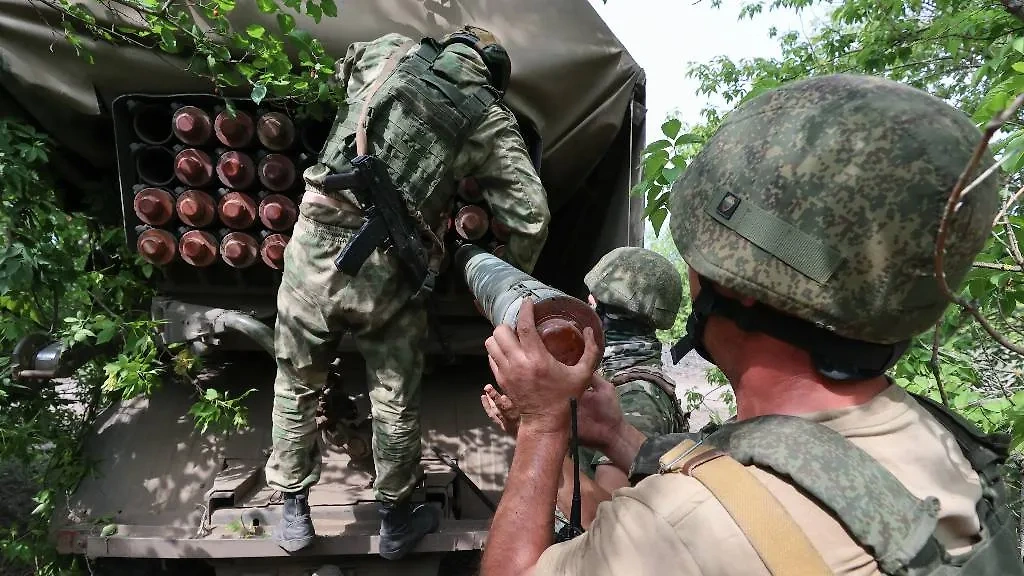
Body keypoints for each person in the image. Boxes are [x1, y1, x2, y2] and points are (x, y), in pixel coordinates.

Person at [478, 74, 1024, 575]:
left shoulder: (685, 528)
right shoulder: (938, 442)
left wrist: (543, 424)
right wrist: (616, 434)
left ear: (736, 289)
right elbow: (801, 471)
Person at [264, 26, 550, 557]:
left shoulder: (385, 49)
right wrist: (507, 283)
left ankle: (292, 514)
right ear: (491, 71)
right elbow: (530, 217)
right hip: (390, 266)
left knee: (296, 377)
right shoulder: (487, 115)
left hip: (313, 243)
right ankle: (396, 519)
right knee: (393, 393)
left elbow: (342, 73)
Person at [481, 246, 688, 529]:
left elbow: (602, 521)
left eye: (594, 302)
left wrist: (533, 433)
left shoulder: (635, 398)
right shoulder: (618, 376)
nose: (587, 304)